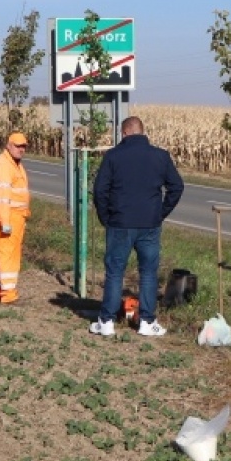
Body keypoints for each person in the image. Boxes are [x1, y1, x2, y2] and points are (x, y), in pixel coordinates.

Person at [90, 116, 184, 337]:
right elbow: (176, 187)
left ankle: (107, 322)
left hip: (119, 223)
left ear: (124, 133)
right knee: (149, 273)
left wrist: (106, 217)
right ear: (143, 132)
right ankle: (147, 322)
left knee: (114, 272)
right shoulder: (160, 157)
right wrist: (160, 213)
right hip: (149, 224)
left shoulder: (113, 156)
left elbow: (99, 190)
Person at [0, 132, 31, 304]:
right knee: (8, 257)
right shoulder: (4, 166)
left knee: (4, 256)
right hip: (9, 217)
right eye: (18, 146)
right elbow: (2, 197)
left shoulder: (13, 164)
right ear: (9, 145)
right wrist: (4, 222)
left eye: (24, 146)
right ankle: (8, 295)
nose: (21, 149)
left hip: (16, 217)